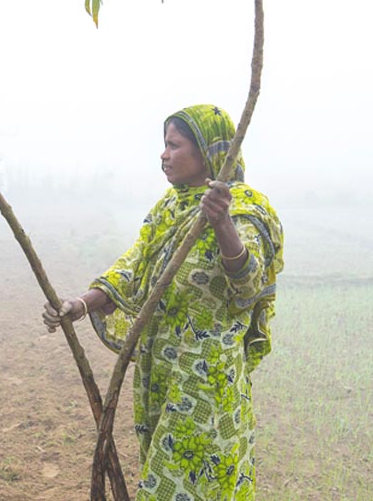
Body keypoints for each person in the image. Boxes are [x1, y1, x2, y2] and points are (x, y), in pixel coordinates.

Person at [43, 104, 283, 501]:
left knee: (180, 484)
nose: (163, 154)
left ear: (207, 151)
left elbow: (248, 285)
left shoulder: (246, 209)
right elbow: (133, 266)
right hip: (160, 371)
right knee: (165, 473)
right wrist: (81, 304)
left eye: (174, 145)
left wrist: (222, 223)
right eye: (163, 145)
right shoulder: (170, 208)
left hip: (206, 379)